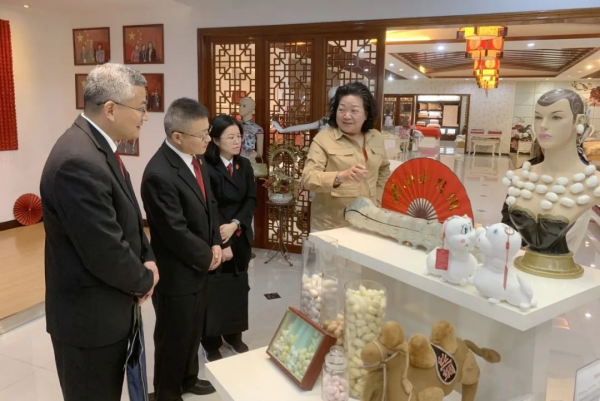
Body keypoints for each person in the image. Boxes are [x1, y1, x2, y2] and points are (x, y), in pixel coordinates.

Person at [40, 63, 158, 401]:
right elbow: (104, 249)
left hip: (107, 309)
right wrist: (144, 280)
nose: (145, 116)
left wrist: (147, 258)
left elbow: (129, 216)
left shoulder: (97, 146)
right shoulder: (77, 160)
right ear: (110, 109)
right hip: (88, 321)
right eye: (141, 107)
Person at [141, 98, 222, 401]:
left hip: (199, 264)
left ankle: (188, 379)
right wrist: (208, 257)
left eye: (207, 131)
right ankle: (167, 392)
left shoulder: (195, 157)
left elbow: (210, 204)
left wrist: (216, 242)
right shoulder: (158, 173)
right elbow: (174, 231)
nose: (208, 139)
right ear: (177, 136)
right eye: (202, 134)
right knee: (173, 337)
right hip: (177, 272)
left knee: (193, 330)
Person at [202, 115, 256, 361]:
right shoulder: (205, 165)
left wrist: (236, 224)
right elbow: (209, 206)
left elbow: (250, 200)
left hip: (239, 234)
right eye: (230, 137)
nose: (237, 142)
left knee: (237, 288)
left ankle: (234, 334)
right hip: (216, 236)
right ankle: (211, 341)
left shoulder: (244, 165)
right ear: (215, 140)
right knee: (214, 290)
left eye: (239, 136)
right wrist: (222, 240)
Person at [301, 81, 391, 231]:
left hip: (369, 221)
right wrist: (341, 176)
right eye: (341, 109)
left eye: (354, 111)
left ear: (366, 113)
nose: (346, 116)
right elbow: (308, 178)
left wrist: (377, 200)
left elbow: (383, 170)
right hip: (332, 225)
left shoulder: (376, 137)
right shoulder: (323, 138)